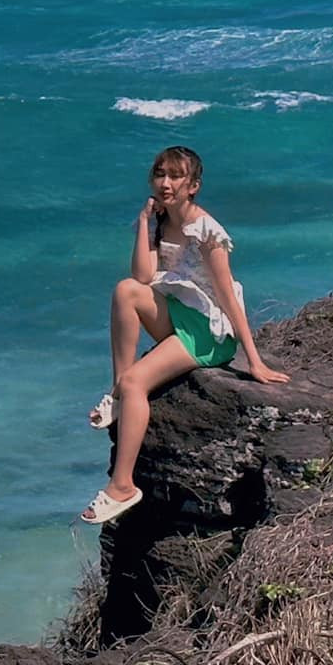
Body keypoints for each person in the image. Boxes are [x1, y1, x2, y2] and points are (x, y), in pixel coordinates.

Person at [79, 145, 287, 525]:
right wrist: (144, 222)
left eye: (176, 177)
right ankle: (117, 395)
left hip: (207, 332)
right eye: (160, 174)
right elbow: (144, 277)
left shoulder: (207, 232)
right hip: (179, 313)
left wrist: (254, 360)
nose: (165, 183)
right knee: (126, 290)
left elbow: (228, 297)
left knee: (137, 382)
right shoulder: (161, 220)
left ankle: (122, 485)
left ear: (194, 186)